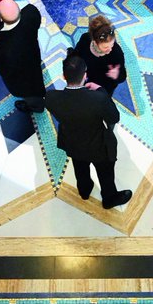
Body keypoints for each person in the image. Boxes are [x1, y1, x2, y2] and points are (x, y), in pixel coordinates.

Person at [45, 52, 132, 209]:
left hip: (72, 143)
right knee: (105, 173)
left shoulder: (51, 97)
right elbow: (114, 117)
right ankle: (109, 198)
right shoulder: (98, 99)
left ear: (63, 76)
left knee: (80, 169)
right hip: (98, 147)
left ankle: (84, 191)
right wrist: (101, 91)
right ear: (85, 75)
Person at [0, 0, 47, 113]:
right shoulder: (31, 12)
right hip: (33, 58)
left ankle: (36, 107)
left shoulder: (5, 48)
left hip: (24, 81)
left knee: (33, 94)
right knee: (36, 82)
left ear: (0, 18)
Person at [73, 15, 128, 97]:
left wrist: (117, 75)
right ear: (95, 42)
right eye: (105, 47)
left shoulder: (116, 52)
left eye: (112, 44)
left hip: (103, 91)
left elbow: (123, 76)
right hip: (85, 83)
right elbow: (76, 54)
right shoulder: (85, 39)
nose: (110, 50)